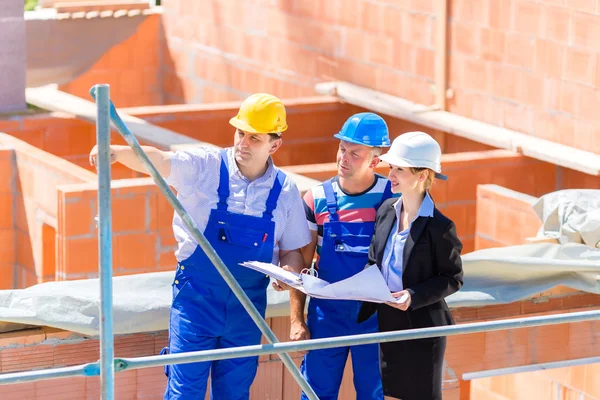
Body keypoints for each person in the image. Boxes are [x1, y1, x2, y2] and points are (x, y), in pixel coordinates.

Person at [89, 93, 311, 400]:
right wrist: (115, 152)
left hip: (246, 309)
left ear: (274, 145)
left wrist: (288, 273)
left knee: (234, 393)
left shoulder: (284, 190)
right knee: (184, 393)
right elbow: (160, 161)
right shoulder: (205, 166)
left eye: (255, 138)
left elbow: (292, 251)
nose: (243, 143)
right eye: (240, 133)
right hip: (196, 301)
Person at [292, 112, 395, 400]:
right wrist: (297, 321)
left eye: (355, 153)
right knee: (315, 393)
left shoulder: (393, 198)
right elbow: (302, 264)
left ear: (375, 161)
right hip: (326, 315)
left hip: (375, 316)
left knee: (372, 393)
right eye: (342, 149)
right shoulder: (316, 198)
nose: (343, 158)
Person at [357, 131, 464, 400]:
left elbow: (452, 278)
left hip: (424, 327)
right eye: (391, 167)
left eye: (399, 169)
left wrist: (412, 296)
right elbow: (374, 260)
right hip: (389, 321)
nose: (390, 175)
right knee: (391, 395)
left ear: (422, 176)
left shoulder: (440, 227)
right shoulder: (385, 211)